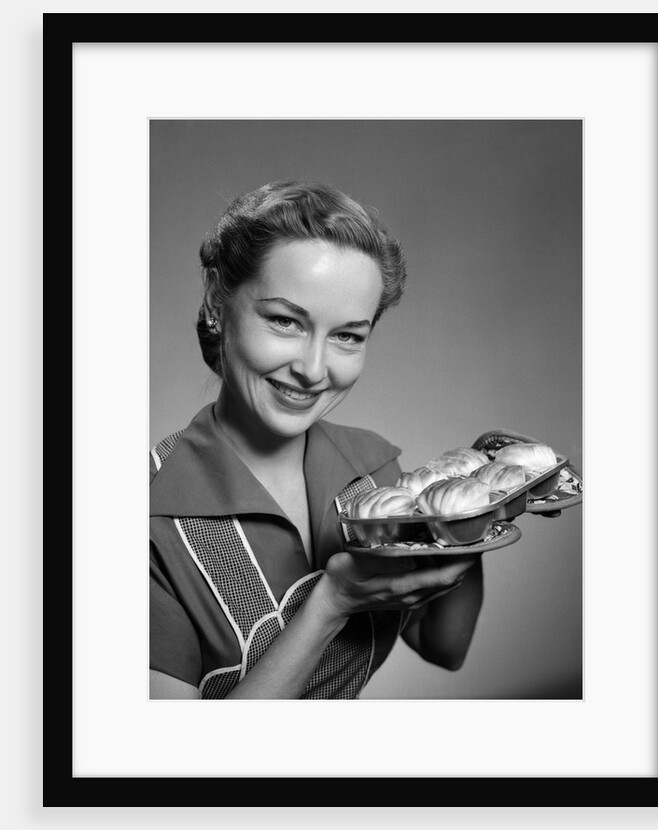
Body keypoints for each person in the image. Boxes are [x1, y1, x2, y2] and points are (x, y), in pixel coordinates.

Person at [149, 179, 485, 699]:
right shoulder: (142, 517)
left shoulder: (373, 470)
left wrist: (475, 511)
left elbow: (445, 645)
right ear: (217, 299)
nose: (312, 369)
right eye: (285, 321)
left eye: (347, 336)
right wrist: (330, 604)